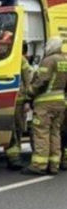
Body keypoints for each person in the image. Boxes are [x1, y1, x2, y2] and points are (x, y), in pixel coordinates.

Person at [23, 36, 67, 175]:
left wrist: (29, 93)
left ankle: (39, 165)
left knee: (41, 132)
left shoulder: (48, 61)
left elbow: (42, 81)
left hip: (45, 103)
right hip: (60, 102)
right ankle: (54, 165)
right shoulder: (64, 60)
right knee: (55, 133)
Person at [6, 41, 34, 169]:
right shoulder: (18, 60)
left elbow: (28, 80)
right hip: (17, 99)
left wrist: (27, 100)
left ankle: (14, 158)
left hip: (17, 99)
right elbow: (30, 80)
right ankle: (14, 157)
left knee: (15, 129)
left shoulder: (20, 61)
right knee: (16, 129)